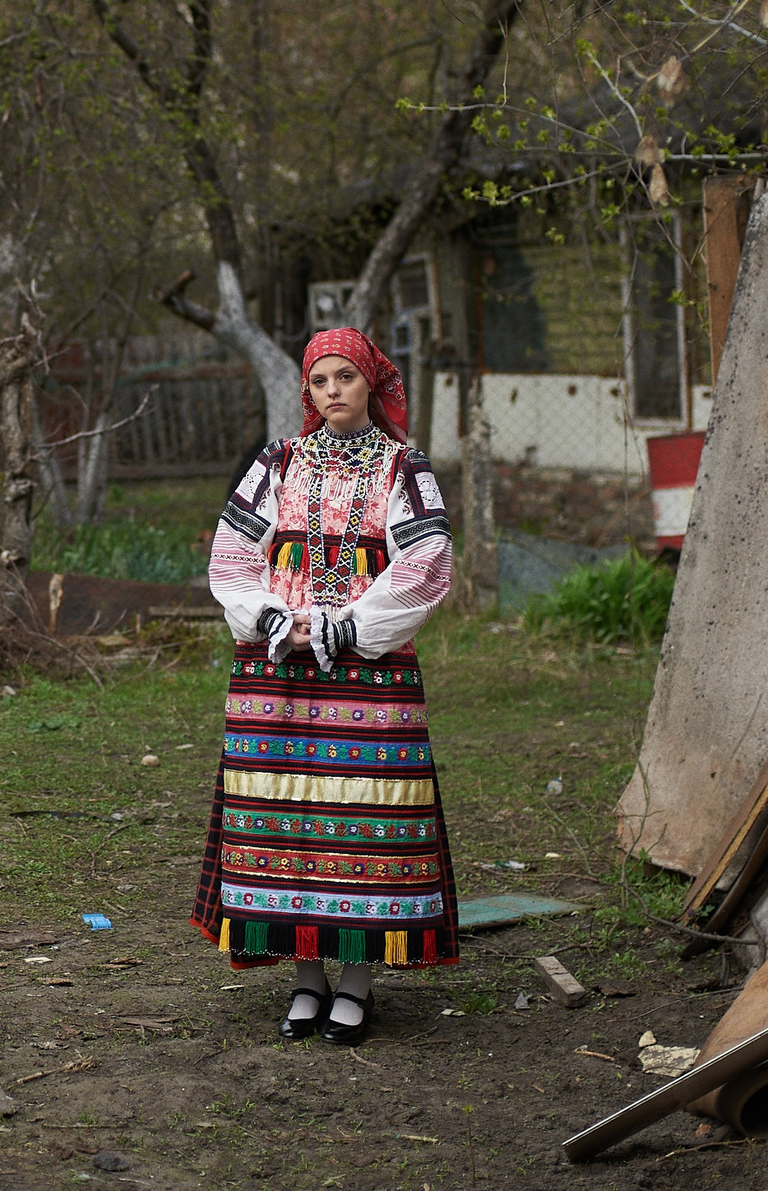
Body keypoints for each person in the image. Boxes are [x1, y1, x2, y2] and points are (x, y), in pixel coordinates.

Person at [191, 328, 461, 1043]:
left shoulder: (404, 467)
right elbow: (231, 552)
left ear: (372, 382)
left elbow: (426, 560)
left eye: (345, 376)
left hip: (367, 671)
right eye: (320, 380)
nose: (333, 390)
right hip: (276, 668)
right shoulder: (277, 464)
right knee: (288, 819)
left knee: (362, 821)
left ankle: (356, 983)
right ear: (307, 392)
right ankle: (306, 981)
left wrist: (348, 625)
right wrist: (273, 617)